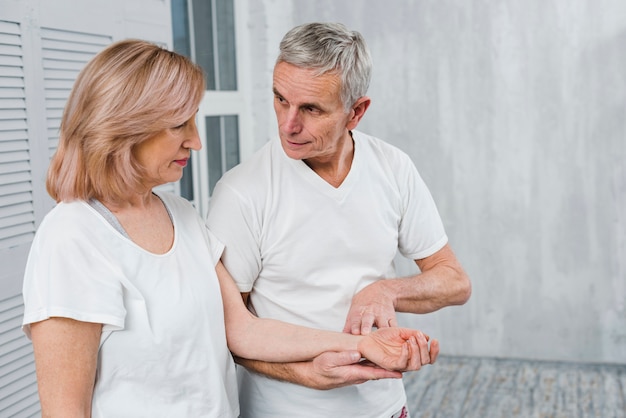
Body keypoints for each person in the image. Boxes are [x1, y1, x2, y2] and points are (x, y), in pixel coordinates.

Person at [21, 39, 439, 418]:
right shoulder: (72, 238)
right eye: (178, 125)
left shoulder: (180, 214)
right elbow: (65, 411)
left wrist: (361, 345)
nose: (196, 141)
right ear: (124, 127)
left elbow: (242, 329)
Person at [206, 22, 472, 418]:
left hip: (385, 408)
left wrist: (386, 291)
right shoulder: (241, 192)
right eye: (280, 99)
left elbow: (454, 281)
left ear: (356, 111)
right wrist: (306, 375)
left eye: (310, 109)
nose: (287, 124)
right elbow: (228, 333)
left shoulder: (393, 168)